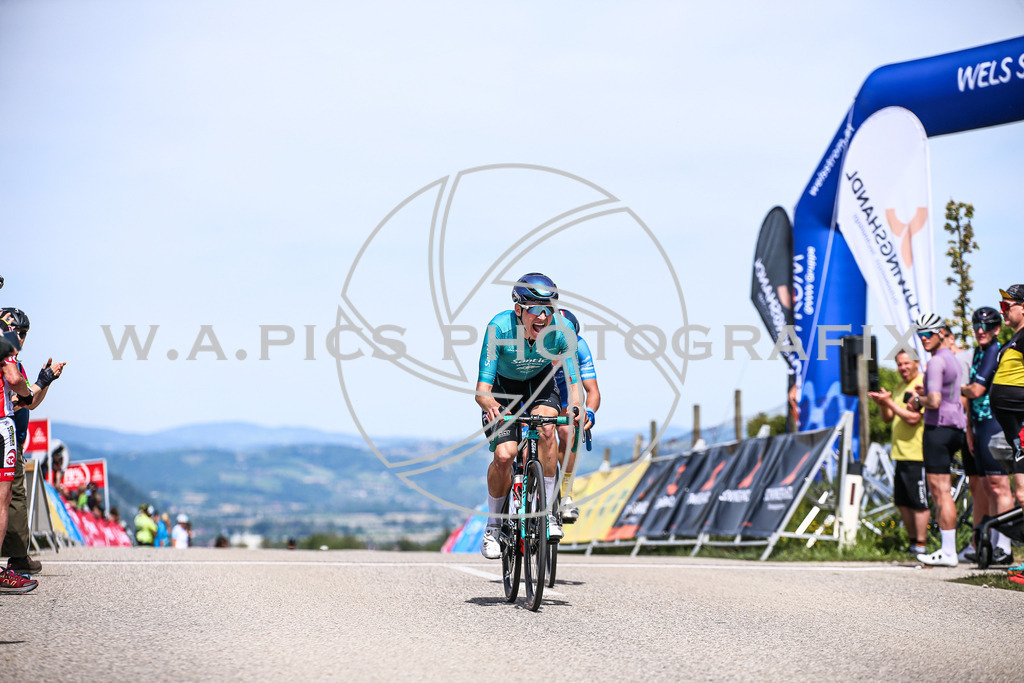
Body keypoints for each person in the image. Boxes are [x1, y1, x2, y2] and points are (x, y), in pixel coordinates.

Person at [475, 273, 582, 559]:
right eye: (535, 310)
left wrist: (577, 409)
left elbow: (574, 383)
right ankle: (494, 526)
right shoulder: (498, 327)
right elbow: (482, 390)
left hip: (540, 385)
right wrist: (490, 406)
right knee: (505, 456)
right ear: (519, 310)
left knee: (547, 429)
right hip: (503, 390)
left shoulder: (562, 329)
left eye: (548, 310)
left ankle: (546, 514)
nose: (543, 318)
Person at [0, 307, 65, 574]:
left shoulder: (14, 359)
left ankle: (19, 554)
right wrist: (40, 381)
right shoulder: (7, 355)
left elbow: (31, 403)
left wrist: (45, 381)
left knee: (15, 497)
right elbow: (19, 398)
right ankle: (17, 557)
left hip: (14, 436)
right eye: (20, 333)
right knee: (11, 498)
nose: (23, 339)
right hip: (6, 435)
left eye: (26, 334)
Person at [958, 306, 1014, 565]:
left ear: (997, 328)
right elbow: (969, 396)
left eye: (987, 327)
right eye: (977, 327)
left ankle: (1005, 545)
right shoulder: (980, 352)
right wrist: (969, 429)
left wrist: (955, 387)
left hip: (995, 423)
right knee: (987, 488)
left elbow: (977, 390)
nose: (981, 331)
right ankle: (990, 544)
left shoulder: (994, 350)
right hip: (978, 426)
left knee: (1000, 485)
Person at [911, 312, 967, 566]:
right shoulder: (952, 359)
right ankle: (950, 549)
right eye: (919, 334)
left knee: (941, 491)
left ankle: (948, 552)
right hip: (957, 427)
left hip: (938, 428)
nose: (923, 339)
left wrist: (916, 400)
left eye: (928, 334)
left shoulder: (934, 362)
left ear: (942, 333)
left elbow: (933, 401)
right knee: (947, 491)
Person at [867, 350, 928, 555]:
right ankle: (913, 543)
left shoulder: (921, 384)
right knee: (902, 502)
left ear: (916, 363)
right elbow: (888, 418)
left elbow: (913, 418)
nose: (902, 368)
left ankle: (921, 544)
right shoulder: (900, 386)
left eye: (906, 363)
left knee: (918, 502)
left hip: (916, 453)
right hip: (900, 454)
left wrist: (890, 402)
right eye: (899, 364)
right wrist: (883, 404)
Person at [989, 285, 1024, 575]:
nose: (1003, 311)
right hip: (1014, 431)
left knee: (1023, 493)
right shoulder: (1012, 340)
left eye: (1006, 305)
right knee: (1022, 495)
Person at [552, 309, 599, 523]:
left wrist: (589, 411)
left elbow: (593, 391)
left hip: (563, 394)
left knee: (567, 431)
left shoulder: (580, 347)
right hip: (533, 393)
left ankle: (566, 492)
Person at [0, 321, 36, 594]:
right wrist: (25, 394)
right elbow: (13, 378)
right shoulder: (2, 331)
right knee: (3, 499)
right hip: (1, 423)